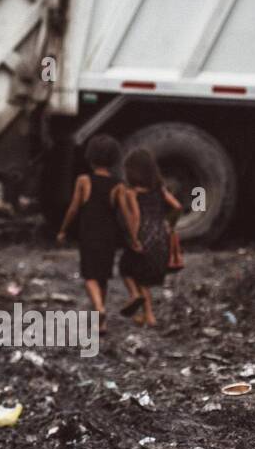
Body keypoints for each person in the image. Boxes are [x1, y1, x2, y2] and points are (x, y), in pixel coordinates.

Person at [56, 134, 123, 331]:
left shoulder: (84, 180)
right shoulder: (118, 184)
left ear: (90, 156)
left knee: (90, 276)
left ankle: (100, 308)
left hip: (89, 233)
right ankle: (100, 324)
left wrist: (63, 230)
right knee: (102, 277)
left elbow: (74, 208)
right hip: (109, 235)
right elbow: (122, 213)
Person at [115, 147, 181, 328]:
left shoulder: (132, 193)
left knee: (126, 269)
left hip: (144, 237)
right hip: (160, 237)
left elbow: (135, 217)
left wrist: (134, 239)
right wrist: (169, 224)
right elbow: (177, 206)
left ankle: (134, 296)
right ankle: (149, 317)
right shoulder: (160, 190)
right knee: (143, 279)